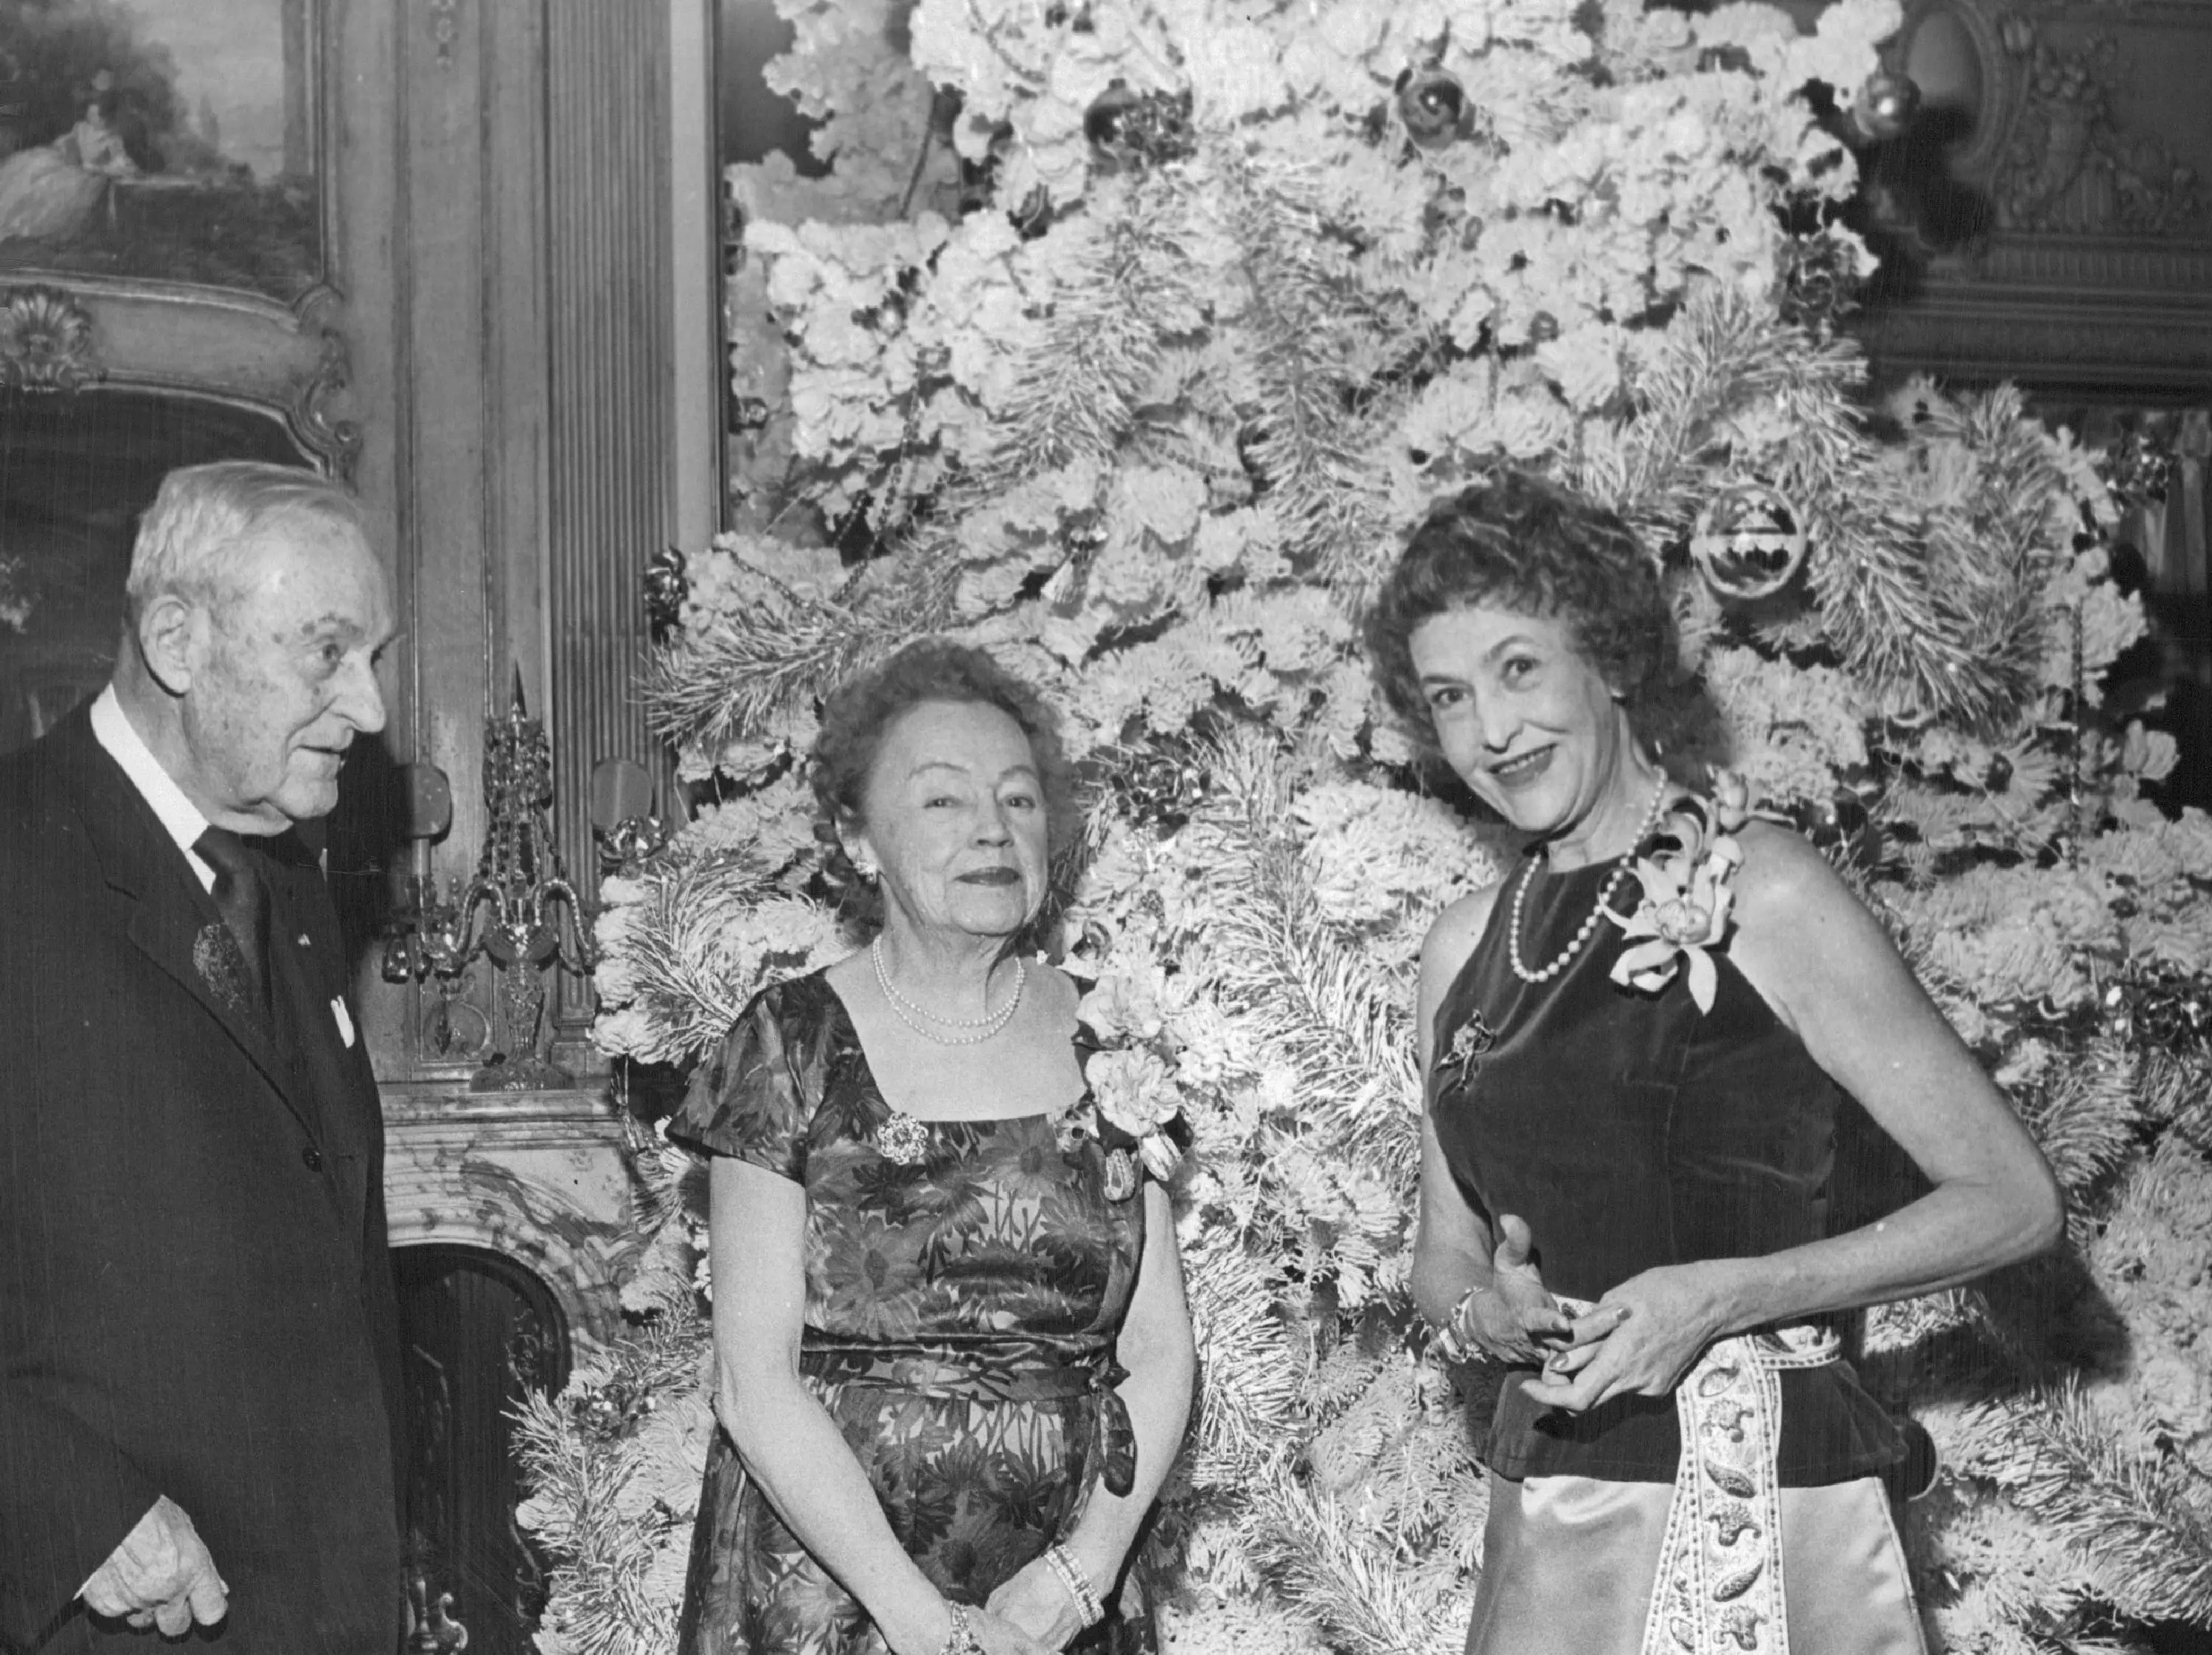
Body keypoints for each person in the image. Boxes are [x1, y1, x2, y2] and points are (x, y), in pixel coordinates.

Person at [1364, 471, 2063, 1655]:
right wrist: (1492, 1313)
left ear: (1615, 659)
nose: (1490, 730)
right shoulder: (1462, 947)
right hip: (1556, 1503)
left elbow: (2013, 1201)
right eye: (1449, 696)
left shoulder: (1765, 887)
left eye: (1519, 668)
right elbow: (1445, 1253)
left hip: (1761, 1508)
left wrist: (1723, 1297)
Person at [669, 640, 1195, 1655]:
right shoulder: (788, 1042)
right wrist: (924, 1625)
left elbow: (1160, 1346)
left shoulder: (1114, 1034)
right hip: (836, 1598)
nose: (994, 830)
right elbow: (753, 1376)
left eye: (1020, 799)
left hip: (1061, 1598)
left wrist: (1075, 1581)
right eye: (945, 801)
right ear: (856, 838)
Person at [0, 462, 404, 1653]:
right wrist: (70, 1514)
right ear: (178, 639)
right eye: (327, 653)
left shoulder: (283, 884)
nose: (371, 709)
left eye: (372, 656)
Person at [0, 86, 136, 246]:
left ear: (106, 118)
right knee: (32, 175)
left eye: (95, 115)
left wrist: (97, 168)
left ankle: (34, 230)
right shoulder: (82, 128)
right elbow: (66, 143)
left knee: (57, 196)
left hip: (86, 177)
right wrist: (64, 150)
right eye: (89, 113)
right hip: (70, 167)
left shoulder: (112, 139)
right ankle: (9, 221)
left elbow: (125, 165)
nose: (90, 118)